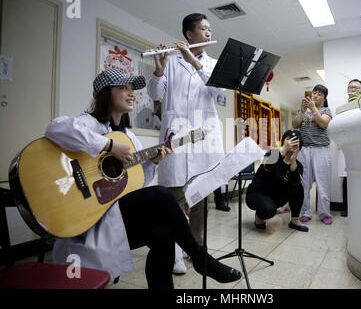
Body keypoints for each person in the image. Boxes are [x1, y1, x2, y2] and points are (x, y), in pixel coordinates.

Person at [45, 69, 241, 289]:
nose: (131, 94)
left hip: (114, 215)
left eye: (132, 89)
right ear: (105, 93)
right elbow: (55, 128)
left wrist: (154, 162)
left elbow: (136, 182)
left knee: (163, 235)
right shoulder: (89, 123)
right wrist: (108, 145)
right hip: (90, 219)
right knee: (161, 193)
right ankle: (200, 257)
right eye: (123, 88)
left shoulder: (129, 137)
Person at [149, 13, 229, 273]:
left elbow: (218, 93)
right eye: (203, 29)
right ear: (188, 34)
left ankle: (196, 250)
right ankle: (173, 253)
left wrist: (193, 61)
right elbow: (155, 94)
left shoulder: (213, 64)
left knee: (199, 197)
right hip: (176, 137)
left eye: (209, 29)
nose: (207, 33)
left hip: (203, 137)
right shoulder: (171, 62)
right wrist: (159, 69)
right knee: (173, 196)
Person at [245, 129, 308, 232]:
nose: (291, 145)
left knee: (298, 186)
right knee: (269, 210)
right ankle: (259, 217)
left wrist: (292, 162)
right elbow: (268, 168)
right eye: (289, 140)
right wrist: (283, 151)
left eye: (295, 143)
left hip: (276, 196)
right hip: (257, 194)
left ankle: (295, 220)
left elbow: (296, 183)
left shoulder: (298, 165)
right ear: (283, 141)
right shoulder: (273, 153)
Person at [293, 85, 333, 225]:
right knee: (304, 184)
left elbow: (323, 123)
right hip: (304, 151)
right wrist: (303, 111)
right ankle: (305, 212)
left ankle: (325, 213)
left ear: (324, 98)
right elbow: (295, 124)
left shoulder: (326, 110)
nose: (316, 95)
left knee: (323, 184)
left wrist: (313, 108)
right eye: (314, 92)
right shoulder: (303, 110)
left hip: (321, 150)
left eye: (320, 94)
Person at [338, 79, 361, 216]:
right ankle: (346, 208)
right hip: (346, 147)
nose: (352, 90)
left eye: (356, 88)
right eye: (350, 88)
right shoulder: (342, 108)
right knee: (346, 179)